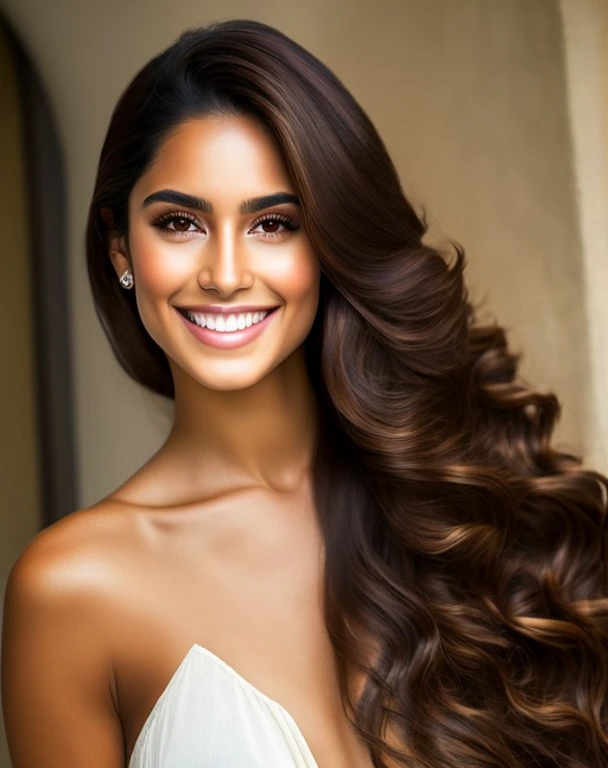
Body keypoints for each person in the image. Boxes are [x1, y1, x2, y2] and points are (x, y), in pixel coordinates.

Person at [2, 18, 608, 768]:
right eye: (181, 222)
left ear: (329, 243)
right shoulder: (73, 591)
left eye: (274, 223)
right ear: (121, 246)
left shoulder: (455, 502)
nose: (225, 272)